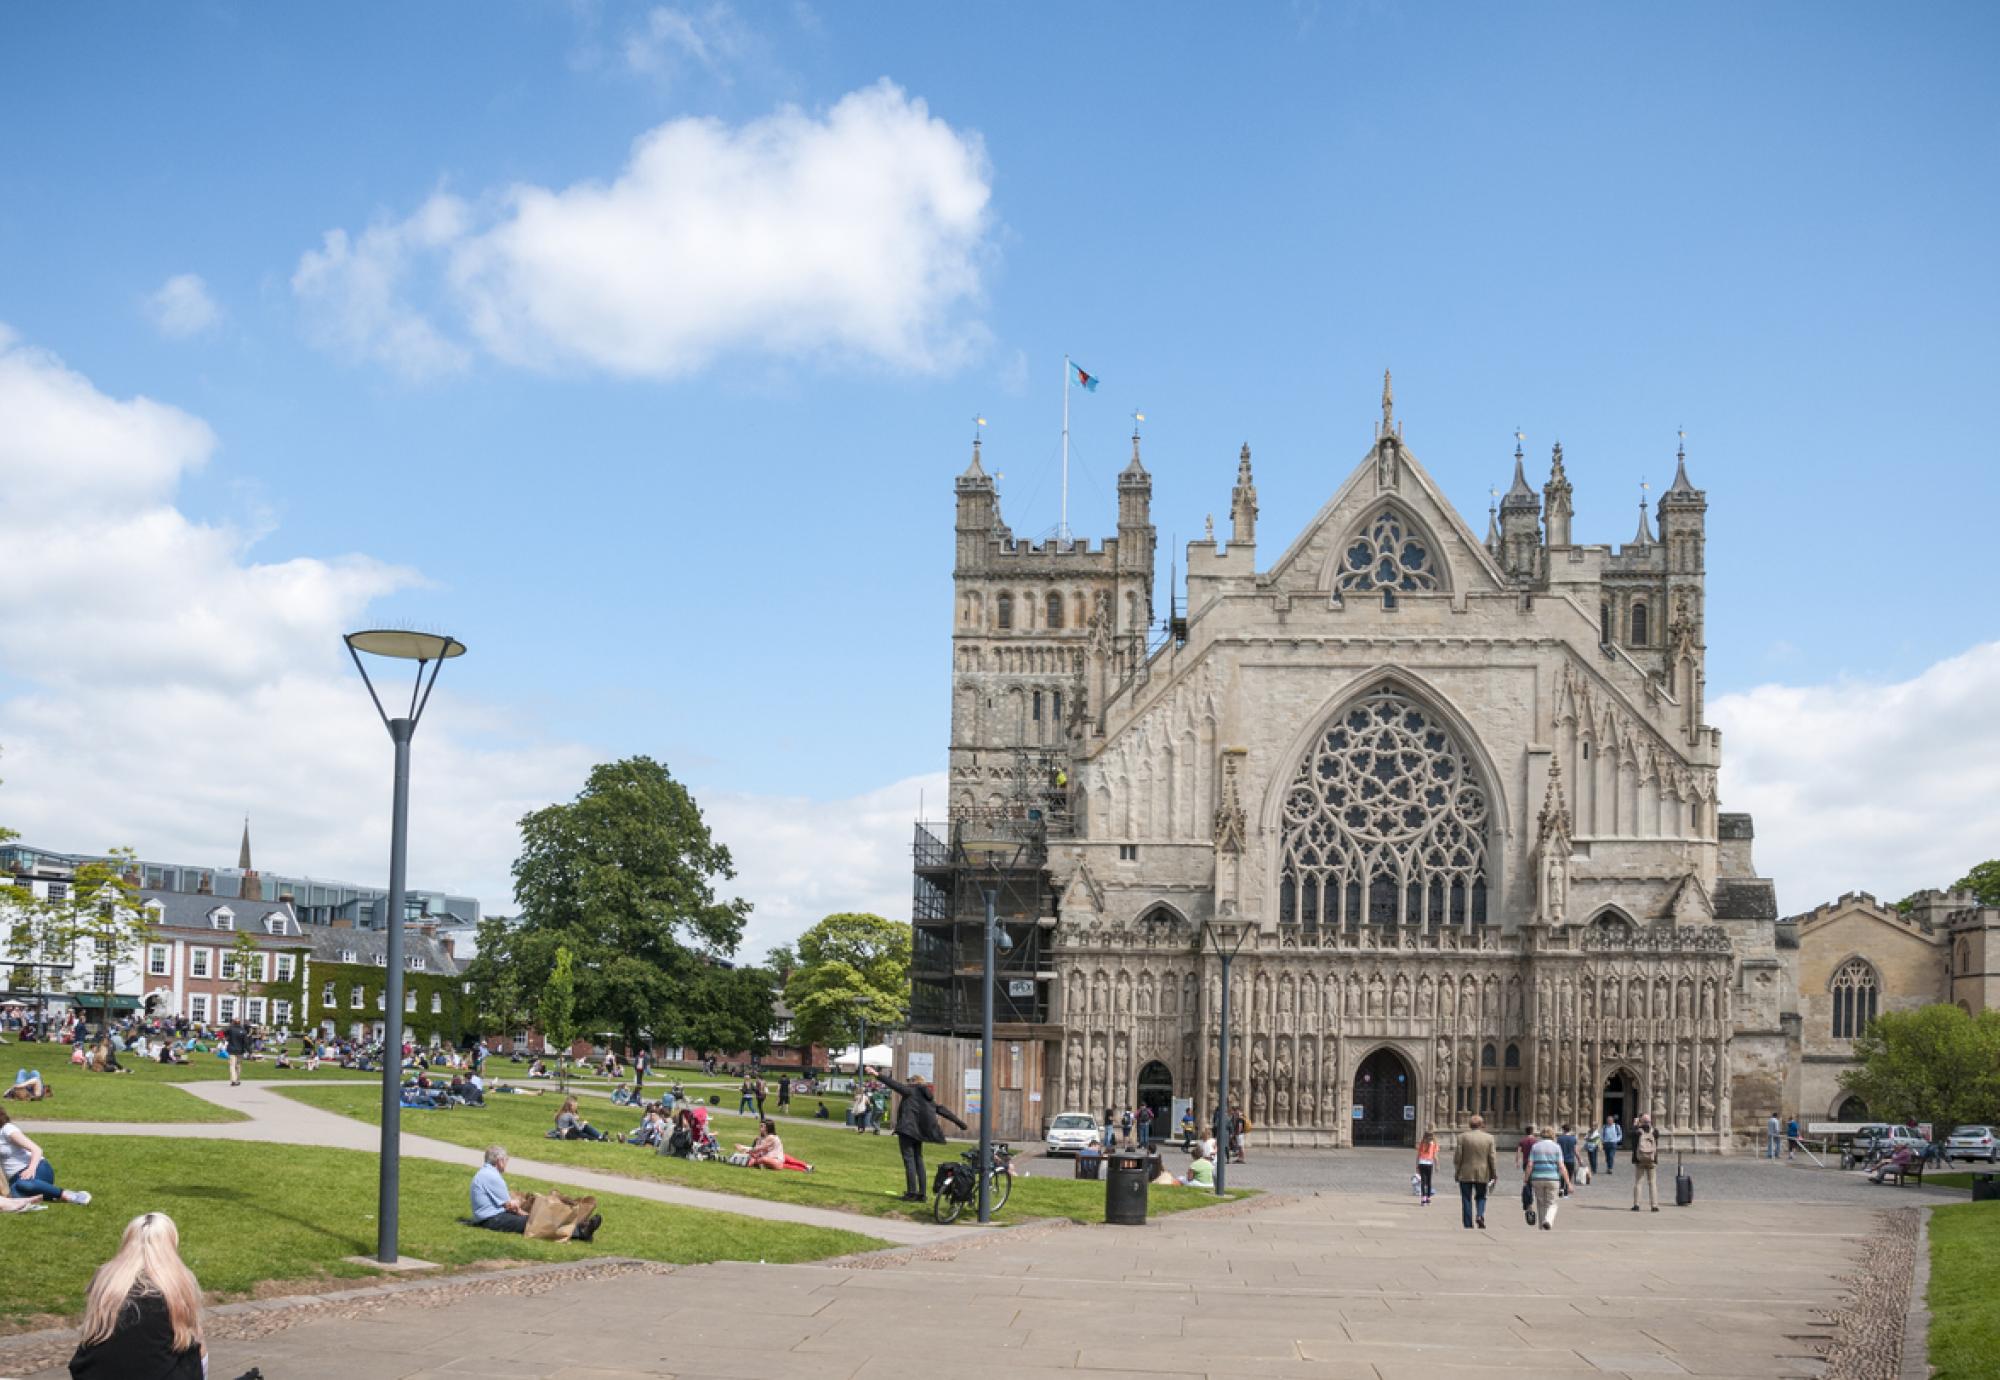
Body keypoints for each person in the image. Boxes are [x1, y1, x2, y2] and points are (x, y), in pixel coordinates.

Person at [67, 1212, 205, 1379]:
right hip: (157, 1372)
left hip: (92, 1373)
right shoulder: (179, 1283)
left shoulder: (105, 1279)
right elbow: (186, 1341)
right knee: (197, 1346)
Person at [867, 1065, 968, 1203]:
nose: (908, 1083)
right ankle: (922, 1194)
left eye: (909, 1082)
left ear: (914, 1082)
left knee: (909, 1161)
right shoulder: (929, 1098)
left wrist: (876, 1074)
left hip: (907, 1131)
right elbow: (942, 1110)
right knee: (919, 1161)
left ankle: (911, 1193)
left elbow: (894, 1084)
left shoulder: (911, 1091)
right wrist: (960, 1123)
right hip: (919, 1134)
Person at [0, 1108, 91, 1204]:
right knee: (14, 1197)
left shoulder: (7, 1129)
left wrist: (31, 1169)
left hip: (37, 1169)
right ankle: (53, 1196)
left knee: (24, 1184)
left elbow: (36, 1149)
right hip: (16, 1180)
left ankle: (70, 1195)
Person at [1453, 1112, 1498, 1230]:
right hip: (1483, 1172)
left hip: (1465, 1172)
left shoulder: (1462, 1137)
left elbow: (1458, 1157)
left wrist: (1457, 1171)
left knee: (1466, 1198)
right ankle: (1480, 1215)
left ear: (1469, 1125)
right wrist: (1494, 1173)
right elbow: (1492, 1157)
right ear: (1482, 1124)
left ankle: (1468, 1224)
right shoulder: (1489, 1138)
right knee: (1481, 1196)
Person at [1528, 1127, 1571, 1230]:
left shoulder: (1535, 1146)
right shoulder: (1556, 1147)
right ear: (1553, 1135)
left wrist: (1526, 1179)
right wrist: (1568, 1182)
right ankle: (1547, 1220)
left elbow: (1530, 1164)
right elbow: (1561, 1166)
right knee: (1552, 1203)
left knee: (1540, 1203)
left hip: (1537, 1178)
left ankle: (1541, 1226)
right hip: (1552, 1178)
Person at [1629, 1113, 1661, 1212]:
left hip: (1640, 1159)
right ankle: (1654, 1205)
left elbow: (1629, 1135)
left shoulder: (1638, 1131)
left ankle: (1636, 1204)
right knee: (1652, 1183)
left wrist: (1635, 1125)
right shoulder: (1655, 1131)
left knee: (1638, 1182)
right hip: (1651, 1160)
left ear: (1641, 1121)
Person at [1414, 1129, 1439, 1205]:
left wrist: (1417, 1165)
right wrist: (1437, 1165)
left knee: (1423, 1182)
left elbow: (1418, 1155)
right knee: (1429, 1181)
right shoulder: (1434, 1144)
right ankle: (1428, 1198)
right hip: (1429, 1164)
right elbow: (1435, 1156)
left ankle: (1423, 1199)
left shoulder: (1422, 1143)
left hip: (1422, 1163)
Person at [223, 1018, 250, 1088]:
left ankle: (233, 1080)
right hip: (240, 1051)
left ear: (234, 1023)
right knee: (238, 1065)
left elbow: (225, 1032)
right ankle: (237, 1080)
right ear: (240, 1023)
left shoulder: (231, 1029)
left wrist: (227, 1037)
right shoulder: (243, 1031)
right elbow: (246, 1042)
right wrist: (250, 1051)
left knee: (232, 1065)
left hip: (232, 1050)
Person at [1556, 1124, 1579, 1196]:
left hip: (1561, 1160)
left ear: (1563, 1130)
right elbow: (1575, 1150)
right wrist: (1579, 1159)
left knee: (1562, 1175)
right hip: (1570, 1160)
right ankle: (1566, 1192)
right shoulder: (1573, 1138)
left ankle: (1561, 1189)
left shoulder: (1559, 1138)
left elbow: (1557, 1149)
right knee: (1569, 1175)